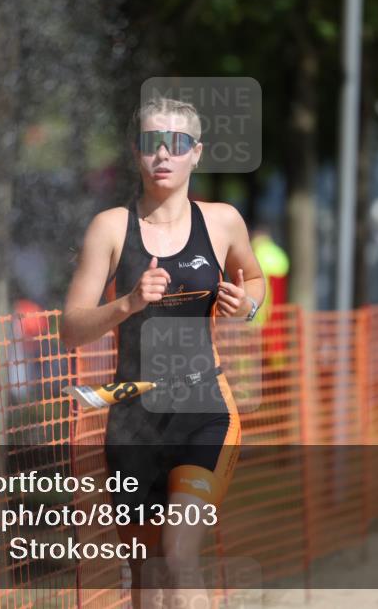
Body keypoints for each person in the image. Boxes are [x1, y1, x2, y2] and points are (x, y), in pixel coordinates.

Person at [60, 97, 265, 609]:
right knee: (148, 573)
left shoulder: (221, 222)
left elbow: (254, 279)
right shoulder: (110, 228)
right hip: (132, 423)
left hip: (206, 415)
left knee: (178, 554)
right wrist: (127, 303)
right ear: (136, 152)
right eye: (152, 142)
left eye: (177, 144)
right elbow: (71, 328)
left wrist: (247, 304)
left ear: (197, 153)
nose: (163, 155)